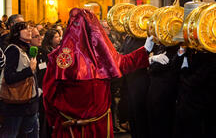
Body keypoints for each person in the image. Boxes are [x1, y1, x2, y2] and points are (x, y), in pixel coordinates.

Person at [43, 8, 155, 138]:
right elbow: (124, 63)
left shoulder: (57, 57)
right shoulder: (103, 55)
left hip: (69, 127)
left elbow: (48, 94)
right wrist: (146, 49)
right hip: (95, 127)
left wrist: (53, 121)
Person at [0, 22, 39, 138]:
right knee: (11, 133)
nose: (29, 31)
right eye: (25, 29)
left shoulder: (27, 49)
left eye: (29, 29)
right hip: (16, 105)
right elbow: (9, 77)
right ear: (17, 33)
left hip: (29, 104)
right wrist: (29, 70)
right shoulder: (13, 50)